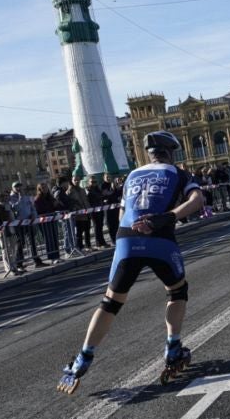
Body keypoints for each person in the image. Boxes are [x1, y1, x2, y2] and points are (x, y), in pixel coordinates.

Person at [56, 131, 206, 394]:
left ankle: (83, 358)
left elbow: (123, 212)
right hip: (159, 234)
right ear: (170, 152)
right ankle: (173, 348)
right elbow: (197, 200)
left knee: (111, 302)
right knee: (177, 290)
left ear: (149, 154)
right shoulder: (178, 173)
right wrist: (168, 217)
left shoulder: (132, 176)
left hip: (126, 237)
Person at [6, 181, 44, 270]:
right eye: (16, 187)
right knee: (20, 243)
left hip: (29, 222)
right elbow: (15, 208)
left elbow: (32, 208)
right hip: (19, 224)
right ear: (13, 188)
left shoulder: (26, 197)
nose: (19, 188)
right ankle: (19, 264)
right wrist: (20, 198)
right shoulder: (10, 198)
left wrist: (34, 216)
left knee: (32, 242)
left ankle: (37, 261)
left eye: (20, 186)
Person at [33, 183, 61, 263]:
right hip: (44, 222)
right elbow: (39, 210)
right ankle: (52, 257)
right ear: (39, 189)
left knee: (55, 237)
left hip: (53, 219)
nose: (45, 189)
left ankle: (57, 256)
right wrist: (50, 209)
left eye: (46, 187)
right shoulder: (38, 199)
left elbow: (56, 207)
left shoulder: (50, 197)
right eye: (43, 187)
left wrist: (56, 205)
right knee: (49, 239)